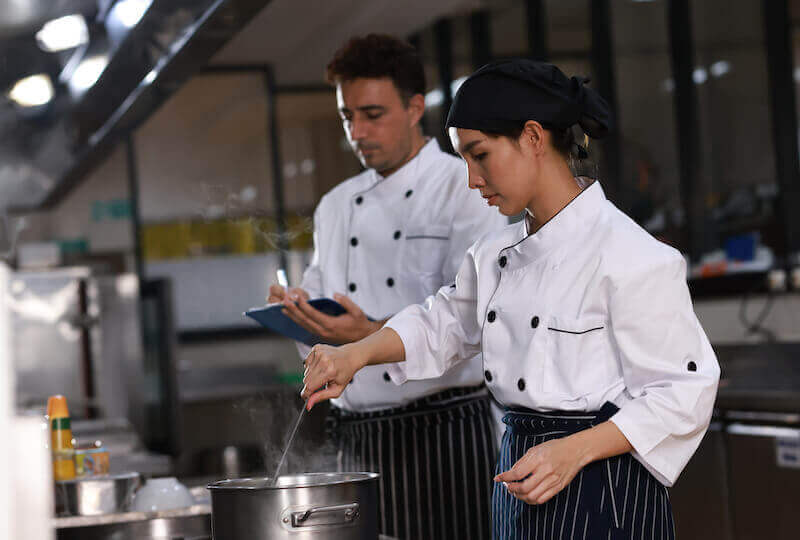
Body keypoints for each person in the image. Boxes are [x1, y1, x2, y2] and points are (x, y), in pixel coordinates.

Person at [300, 59, 720, 539]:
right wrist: (355, 354)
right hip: (520, 475)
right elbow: (444, 324)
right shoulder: (494, 254)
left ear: (534, 138)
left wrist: (576, 449)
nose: (472, 179)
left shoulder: (631, 255)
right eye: (463, 160)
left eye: (480, 155)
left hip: (604, 484)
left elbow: (685, 392)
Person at [268, 34, 507, 539]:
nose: (357, 131)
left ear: (416, 107)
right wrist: (298, 310)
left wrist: (368, 334)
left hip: (445, 430)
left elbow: (475, 320)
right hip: (356, 434)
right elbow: (320, 299)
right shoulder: (335, 205)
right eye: (346, 117)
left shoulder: (464, 188)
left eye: (373, 114)